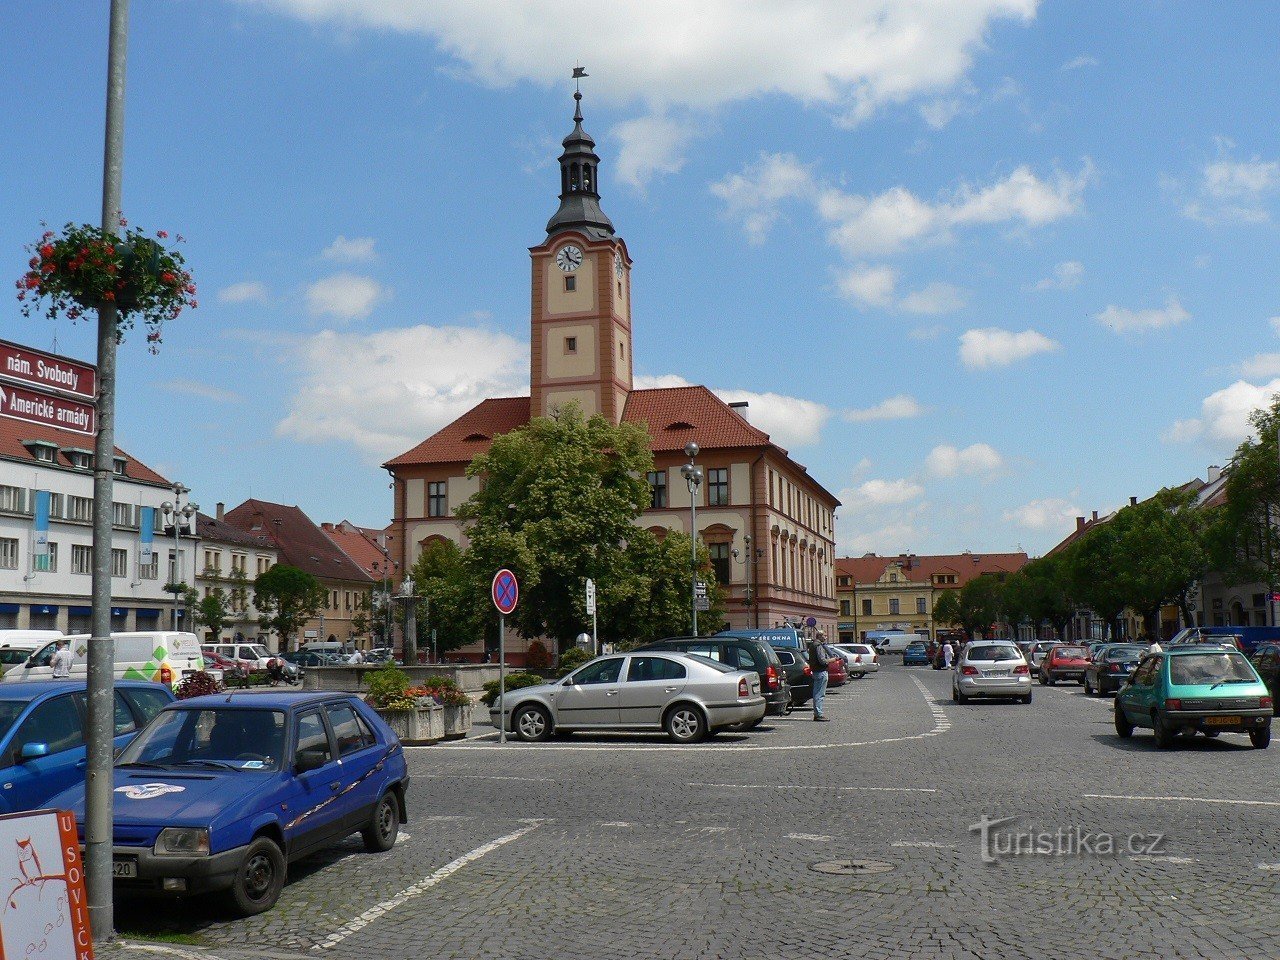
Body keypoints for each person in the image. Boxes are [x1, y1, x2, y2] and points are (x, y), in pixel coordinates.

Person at [807, 635, 830, 721]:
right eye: (824, 635)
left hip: (816, 671)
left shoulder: (813, 645)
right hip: (820, 671)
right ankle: (818, 714)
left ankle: (817, 713)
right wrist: (832, 660)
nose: (826, 637)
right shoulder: (818, 646)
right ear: (820, 636)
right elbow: (822, 660)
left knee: (817, 693)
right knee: (819, 694)